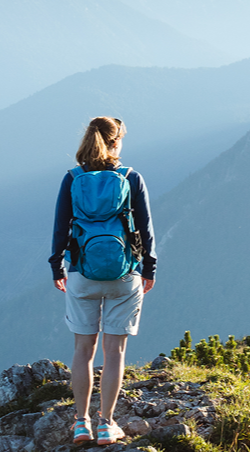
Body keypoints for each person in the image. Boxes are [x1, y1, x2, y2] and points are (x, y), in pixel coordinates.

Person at [48, 116, 155, 446]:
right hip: (124, 274)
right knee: (115, 352)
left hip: (81, 271)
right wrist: (149, 269)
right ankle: (107, 424)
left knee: (83, 350)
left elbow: (60, 227)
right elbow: (146, 229)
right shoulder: (130, 177)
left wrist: (57, 267)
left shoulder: (72, 179)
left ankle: (81, 423)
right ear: (116, 142)